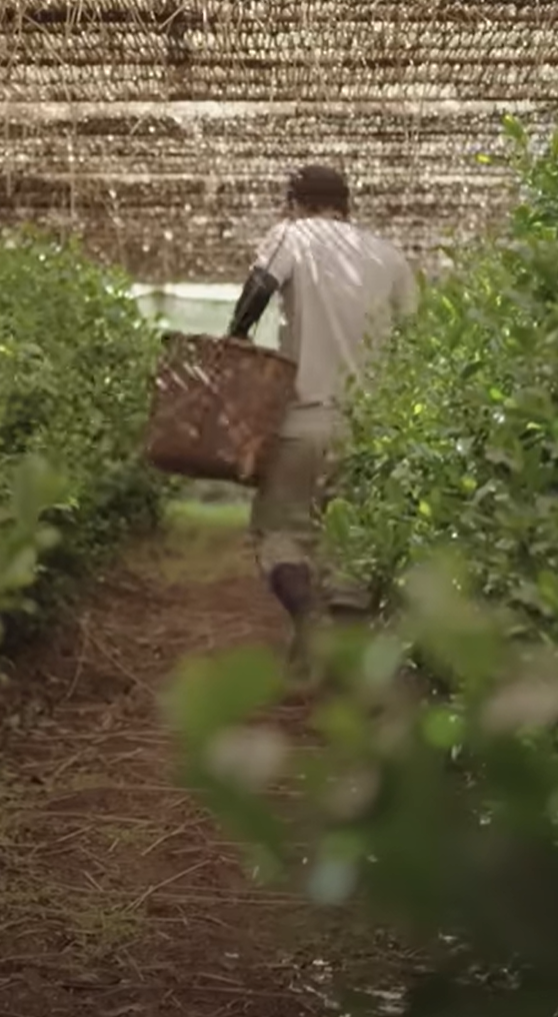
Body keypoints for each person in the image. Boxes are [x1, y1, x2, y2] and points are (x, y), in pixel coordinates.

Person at [224, 163, 418, 670]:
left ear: (294, 203)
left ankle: (308, 618)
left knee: (280, 530)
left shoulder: (292, 235)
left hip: (302, 417)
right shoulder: (390, 257)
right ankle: (347, 669)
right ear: (347, 205)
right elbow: (417, 343)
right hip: (368, 428)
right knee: (351, 543)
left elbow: (259, 288)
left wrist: (234, 344)